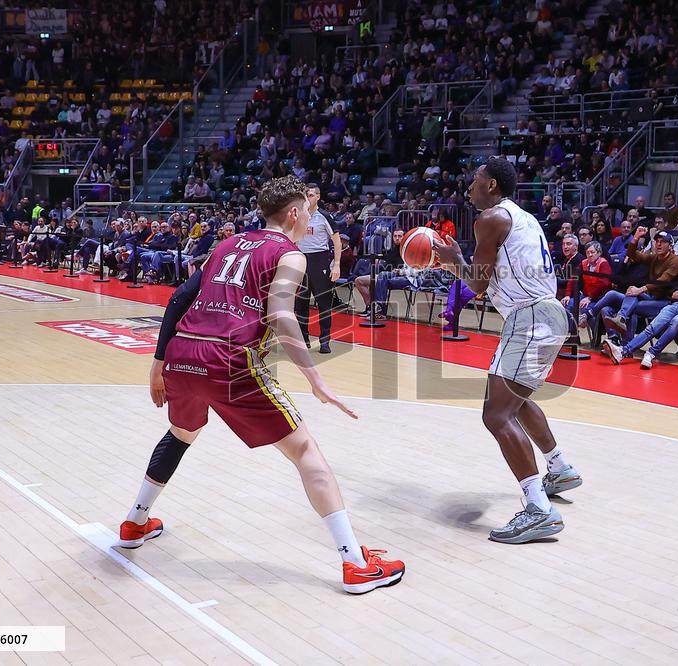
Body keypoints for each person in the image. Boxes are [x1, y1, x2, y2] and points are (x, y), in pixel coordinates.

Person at [118, 176, 404, 594]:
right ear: (293, 213)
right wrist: (316, 377)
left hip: (183, 354)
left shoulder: (226, 244)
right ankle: (357, 565)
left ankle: (134, 522)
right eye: (307, 211)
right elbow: (283, 316)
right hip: (229, 360)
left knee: (182, 433)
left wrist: (157, 364)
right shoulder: (290, 254)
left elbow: (180, 298)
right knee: (306, 451)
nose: (310, 219)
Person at [432, 157, 581, 544]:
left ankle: (538, 509)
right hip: (549, 315)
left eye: (475, 181)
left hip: (529, 318)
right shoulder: (525, 217)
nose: (469, 188)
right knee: (514, 402)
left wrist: (453, 262)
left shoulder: (492, 219)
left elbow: (478, 285)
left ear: (493, 186)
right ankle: (560, 467)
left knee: (496, 415)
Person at [602, 248, 678, 369]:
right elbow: (675, 293)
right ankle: (623, 351)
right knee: (652, 327)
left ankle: (651, 353)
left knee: (676, 321)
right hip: (675, 304)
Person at [295, 184, 341, 353]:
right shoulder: (298, 216)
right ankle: (303, 340)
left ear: (318, 197)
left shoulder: (324, 216)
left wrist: (336, 264)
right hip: (300, 261)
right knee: (300, 304)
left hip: (320, 261)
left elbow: (336, 242)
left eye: (312, 195)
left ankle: (324, 341)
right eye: (306, 195)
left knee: (323, 304)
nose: (308, 197)